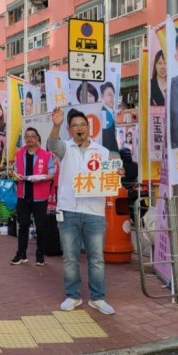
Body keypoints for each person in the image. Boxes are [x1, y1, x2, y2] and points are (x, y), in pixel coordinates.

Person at [48, 107, 123, 315]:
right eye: (74, 126)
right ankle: (73, 296)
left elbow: (112, 173)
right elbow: (51, 144)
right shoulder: (65, 148)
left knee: (96, 258)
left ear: (88, 127)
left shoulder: (102, 152)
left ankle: (97, 298)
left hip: (94, 211)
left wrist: (118, 171)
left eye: (82, 125)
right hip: (68, 210)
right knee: (70, 257)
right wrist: (56, 125)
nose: (79, 128)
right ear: (69, 130)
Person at [10, 128, 55, 266]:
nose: (29, 139)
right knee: (22, 225)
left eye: (32, 136)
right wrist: (15, 175)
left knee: (40, 226)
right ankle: (21, 254)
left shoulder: (46, 155)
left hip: (39, 197)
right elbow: (15, 170)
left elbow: (52, 173)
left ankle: (40, 255)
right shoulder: (19, 154)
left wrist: (42, 178)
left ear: (37, 139)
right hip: (23, 195)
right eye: (27, 136)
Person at [100, 82, 119, 154]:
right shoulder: (104, 113)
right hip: (110, 154)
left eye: (113, 95)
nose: (112, 98)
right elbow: (107, 139)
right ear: (102, 96)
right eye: (109, 95)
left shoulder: (109, 112)